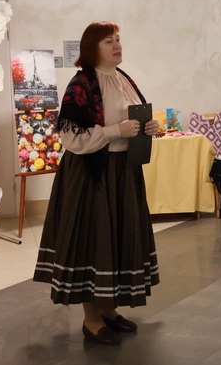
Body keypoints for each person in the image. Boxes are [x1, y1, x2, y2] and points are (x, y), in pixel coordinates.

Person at [32, 21, 160, 347]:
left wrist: (148, 127)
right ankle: (92, 320)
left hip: (122, 172)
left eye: (118, 40)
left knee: (115, 240)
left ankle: (108, 310)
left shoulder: (123, 78)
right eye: (108, 41)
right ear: (92, 48)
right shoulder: (82, 84)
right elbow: (71, 137)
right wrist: (117, 131)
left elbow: (131, 119)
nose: (117, 45)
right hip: (93, 174)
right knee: (94, 242)